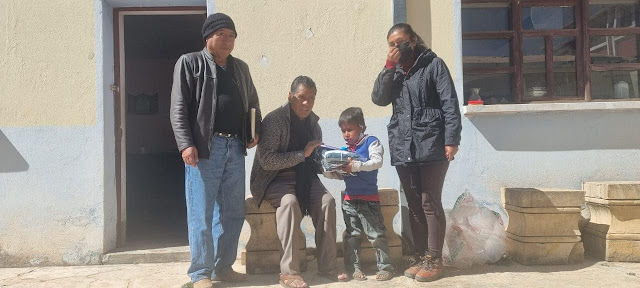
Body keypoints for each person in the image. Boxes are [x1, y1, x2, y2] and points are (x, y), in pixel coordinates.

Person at [170, 13, 262, 288]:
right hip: (204, 150)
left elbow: (254, 102)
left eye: (231, 35)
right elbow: (178, 109)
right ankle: (200, 274)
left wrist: (253, 131)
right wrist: (186, 144)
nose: (227, 40)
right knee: (202, 212)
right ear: (207, 36)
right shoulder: (190, 63)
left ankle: (224, 267)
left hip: (235, 146)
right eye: (221, 34)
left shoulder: (241, 68)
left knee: (233, 211)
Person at [371, 23, 462, 282]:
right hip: (403, 143)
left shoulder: (434, 64)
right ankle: (422, 256)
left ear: (412, 40)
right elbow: (378, 98)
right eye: (390, 43)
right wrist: (388, 68)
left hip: (432, 142)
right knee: (413, 205)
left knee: (429, 202)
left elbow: (449, 103)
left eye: (399, 42)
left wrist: (451, 139)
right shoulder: (395, 71)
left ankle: (435, 258)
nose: (395, 47)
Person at [250, 76, 341, 288]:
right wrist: (302, 154)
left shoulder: (314, 124)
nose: (306, 103)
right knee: (289, 204)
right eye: (301, 97)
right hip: (272, 178)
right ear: (290, 96)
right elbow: (267, 161)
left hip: (303, 177)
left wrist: (334, 167)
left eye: (311, 98)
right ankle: (289, 273)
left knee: (327, 202)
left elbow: (314, 161)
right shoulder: (274, 121)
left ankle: (327, 267)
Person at [323, 107, 394, 281]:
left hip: (369, 199)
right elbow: (343, 174)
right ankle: (353, 268)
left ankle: (385, 267)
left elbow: (376, 162)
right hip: (349, 200)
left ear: (361, 126)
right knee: (352, 236)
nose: (346, 134)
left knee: (376, 235)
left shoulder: (371, 142)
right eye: (343, 131)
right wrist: (330, 172)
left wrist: (355, 166)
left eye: (350, 129)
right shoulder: (344, 150)